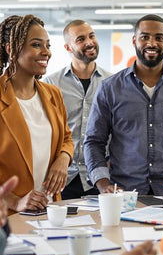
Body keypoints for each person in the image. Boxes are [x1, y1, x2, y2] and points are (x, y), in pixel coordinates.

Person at [84, 14, 163, 197]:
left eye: (159, 38)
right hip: (124, 194)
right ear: (134, 40)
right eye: (145, 37)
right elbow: (94, 141)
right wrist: (102, 184)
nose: (152, 43)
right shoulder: (109, 88)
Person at [0, 14, 74, 213]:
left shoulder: (52, 94)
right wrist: (15, 201)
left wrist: (63, 159)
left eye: (48, 45)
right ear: (11, 49)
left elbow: (66, 138)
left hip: (51, 210)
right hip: (9, 216)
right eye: (36, 45)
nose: (46, 52)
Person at [44, 20, 112, 199]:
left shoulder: (112, 83)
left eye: (91, 36)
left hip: (102, 177)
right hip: (63, 177)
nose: (89, 42)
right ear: (68, 47)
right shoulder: (51, 84)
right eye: (80, 39)